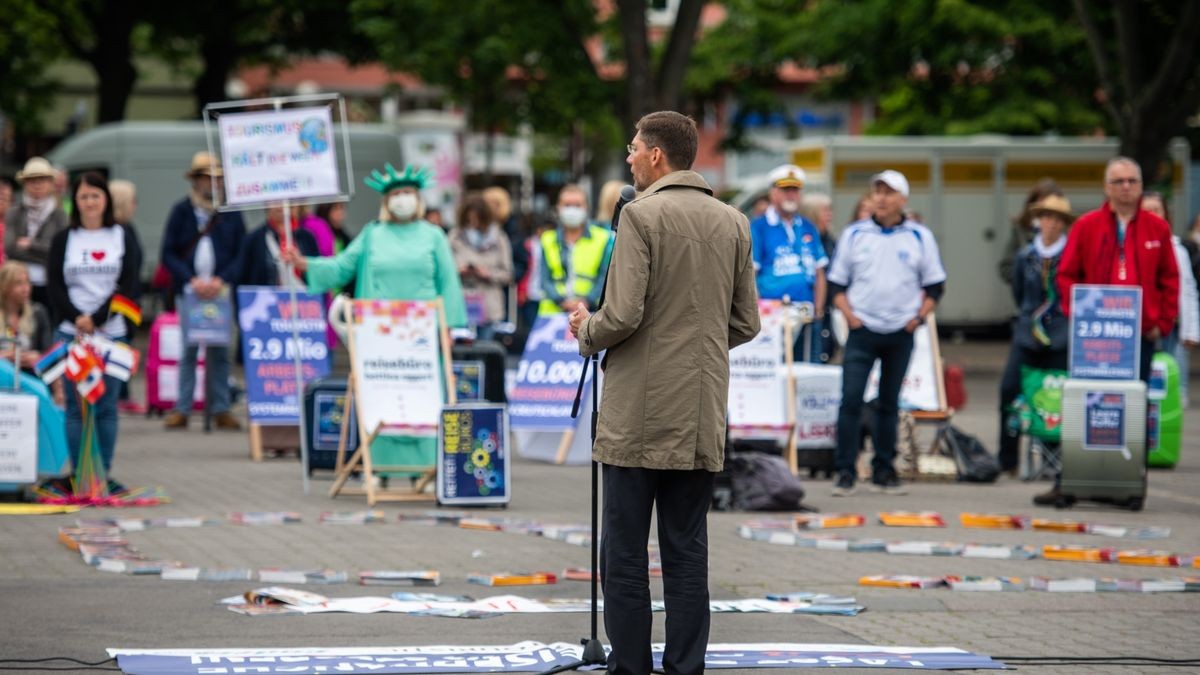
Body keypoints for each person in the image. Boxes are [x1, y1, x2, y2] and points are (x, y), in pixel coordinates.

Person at [568, 111, 760, 675]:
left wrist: (586, 328)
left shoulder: (641, 216)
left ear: (656, 156)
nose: (628, 158)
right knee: (686, 550)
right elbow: (746, 323)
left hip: (637, 413)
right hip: (700, 409)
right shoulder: (734, 222)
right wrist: (693, 343)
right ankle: (685, 667)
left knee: (625, 552)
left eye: (633, 149)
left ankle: (631, 667)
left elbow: (623, 314)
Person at [283, 163, 467, 473]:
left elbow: (449, 283)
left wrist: (449, 328)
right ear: (386, 200)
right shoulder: (372, 234)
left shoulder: (433, 236)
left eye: (408, 192)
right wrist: (303, 262)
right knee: (385, 399)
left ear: (418, 198)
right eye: (396, 193)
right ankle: (381, 467)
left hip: (422, 337)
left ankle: (427, 467)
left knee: (420, 400)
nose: (402, 199)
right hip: (381, 335)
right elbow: (342, 267)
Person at [827, 170, 947, 496]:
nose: (880, 197)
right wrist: (850, 317)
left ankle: (884, 472)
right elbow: (837, 283)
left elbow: (935, 286)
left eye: (888, 192)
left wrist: (916, 319)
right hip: (862, 329)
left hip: (900, 331)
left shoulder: (920, 237)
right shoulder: (855, 235)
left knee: (889, 404)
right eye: (877, 191)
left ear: (902, 200)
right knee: (850, 400)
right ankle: (845, 472)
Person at [46, 172, 141, 490]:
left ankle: (102, 475)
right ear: (76, 202)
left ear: (106, 200)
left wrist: (98, 317)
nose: (89, 202)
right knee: (75, 406)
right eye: (83, 197)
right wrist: (77, 317)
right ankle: (78, 474)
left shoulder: (122, 234)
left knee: (106, 405)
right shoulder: (64, 238)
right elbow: (54, 284)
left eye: (95, 196)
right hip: (71, 333)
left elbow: (128, 283)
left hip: (110, 333)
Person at [1057, 157, 1179, 387]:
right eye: (1119, 181)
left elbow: (1170, 278)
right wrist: (1077, 314)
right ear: (1106, 187)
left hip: (1141, 333)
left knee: (1136, 398)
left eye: (1132, 181)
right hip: (1095, 335)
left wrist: (1162, 323)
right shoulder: (1085, 226)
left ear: (1141, 186)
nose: (1126, 186)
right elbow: (1066, 275)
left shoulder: (1158, 227)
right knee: (1096, 400)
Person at [160, 152, 246, 431]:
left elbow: (240, 253)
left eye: (217, 178)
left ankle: (221, 407)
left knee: (221, 351)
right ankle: (182, 407)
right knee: (189, 349)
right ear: (196, 181)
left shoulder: (230, 212)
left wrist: (222, 279)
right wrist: (190, 279)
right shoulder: (181, 210)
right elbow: (168, 253)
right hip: (191, 291)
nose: (212, 183)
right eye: (207, 178)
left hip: (220, 291)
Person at [996, 195, 1074, 487]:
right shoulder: (1025, 255)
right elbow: (1019, 292)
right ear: (1037, 221)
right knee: (1008, 390)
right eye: (1046, 217)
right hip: (1028, 333)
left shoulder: (1071, 254)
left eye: (1056, 218)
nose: (1050, 223)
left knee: (1053, 396)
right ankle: (1007, 458)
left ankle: (1051, 459)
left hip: (1060, 335)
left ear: (1064, 224)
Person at [750, 164, 828, 362]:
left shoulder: (808, 226)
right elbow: (751, 273)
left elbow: (819, 271)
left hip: (806, 311)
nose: (791, 195)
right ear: (773, 193)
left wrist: (818, 309)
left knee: (807, 369)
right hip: (773, 313)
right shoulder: (759, 227)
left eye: (795, 190)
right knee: (775, 370)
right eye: (786, 190)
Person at [1142, 191, 1198, 405]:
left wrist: (1192, 330)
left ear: (1166, 214)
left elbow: (1189, 291)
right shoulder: (1130, 245)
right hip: (1141, 327)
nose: (1152, 215)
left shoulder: (1178, 250)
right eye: (1147, 211)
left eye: (1157, 210)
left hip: (1170, 329)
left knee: (1173, 383)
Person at [537, 184, 614, 316]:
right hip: (552, 316)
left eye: (577, 205)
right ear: (558, 207)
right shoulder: (547, 239)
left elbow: (605, 277)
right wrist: (561, 301)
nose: (572, 210)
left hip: (590, 313)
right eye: (567, 205)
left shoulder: (603, 238)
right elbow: (544, 280)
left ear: (586, 208)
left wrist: (586, 301)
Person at [5, 157, 69, 307]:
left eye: (42, 179)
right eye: (31, 180)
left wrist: (30, 245)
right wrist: (45, 253)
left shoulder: (60, 215)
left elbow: (60, 251)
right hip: (17, 285)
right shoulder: (14, 212)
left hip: (49, 285)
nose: (37, 184)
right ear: (24, 184)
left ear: (51, 183)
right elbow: (11, 248)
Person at [448, 195, 512, 338]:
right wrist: (458, 271)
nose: (473, 223)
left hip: (489, 306)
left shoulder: (499, 238)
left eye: (477, 219)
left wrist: (488, 274)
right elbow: (444, 270)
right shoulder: (454, 237)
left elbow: (507, 274)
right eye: (469, 219)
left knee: (486, 350)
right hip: (461, 304)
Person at [107, 179, 146, 414]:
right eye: (132, 201)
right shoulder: (120, 232)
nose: (135, 205)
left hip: (130, 300)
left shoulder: (128, 228)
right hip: (123, 301)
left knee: (124, 347)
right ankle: (120, 394)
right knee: (120, 346)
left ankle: (123, 392)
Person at [0, 261, 61, 405]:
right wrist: (8, 356)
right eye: (19, 284)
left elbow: (49, 354)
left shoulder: (38, 312)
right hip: (2, 378)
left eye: (28, 283)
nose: (25, 289)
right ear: (5, 286)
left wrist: (37, 357)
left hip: (30, 376)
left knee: (40, 391)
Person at [238, 203, 320, 288]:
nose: (281, 204)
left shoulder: (306, 237)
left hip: (304, 299)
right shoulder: (253, 240)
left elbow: (317, 274)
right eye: (276, 200)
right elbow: (241, 280)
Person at [1000, 178, 1062, 284]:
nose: (1047, 208)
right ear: (1033, 203)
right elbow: (1006, 267)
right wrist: (1027, 281)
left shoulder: (1066, 233)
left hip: (1058, 296)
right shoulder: (1020, 230)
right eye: (1043, 202)